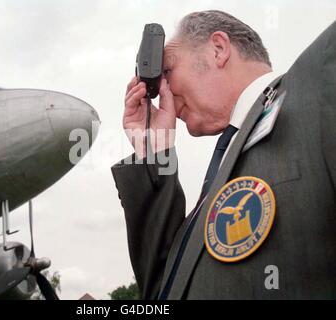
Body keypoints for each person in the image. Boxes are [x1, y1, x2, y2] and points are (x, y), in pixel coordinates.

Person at [111, 10, 336, 299]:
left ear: (218, 49)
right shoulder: (219, 178)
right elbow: (161, 292)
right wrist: (154, 150)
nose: (161, 90)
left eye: (166, 71)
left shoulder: (321, 79)